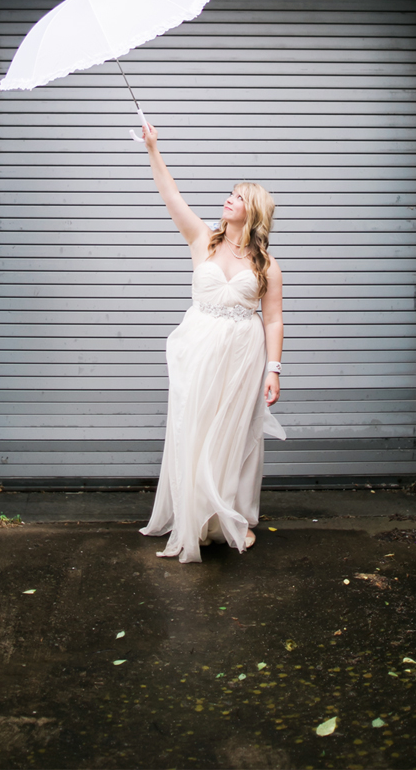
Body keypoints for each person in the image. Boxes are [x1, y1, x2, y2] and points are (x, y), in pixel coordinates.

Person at [136, 123, 287, 562]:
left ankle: (229, 518)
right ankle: (195, 516)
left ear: (253, 210)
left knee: (234, 436)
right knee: (196, 429)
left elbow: (273, 320)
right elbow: (171, 197)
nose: (229, 198)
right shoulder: (202, 240)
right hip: (199, 349)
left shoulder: (267, 266)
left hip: (243, 355)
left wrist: (274, 370)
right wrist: (153, 149)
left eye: (238, 196)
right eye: (231, 193)